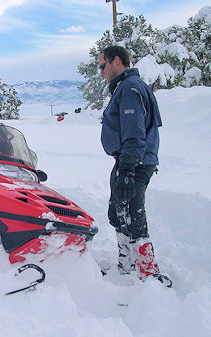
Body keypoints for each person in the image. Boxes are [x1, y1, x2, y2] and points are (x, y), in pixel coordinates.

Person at [98, 46, 170, 285]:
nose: (101, 72)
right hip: (127, 159)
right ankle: (126, 265)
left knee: (133, 216)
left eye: (102, 65)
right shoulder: (125, 88)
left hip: (134, 161)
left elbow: (135, 132)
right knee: (119, 213)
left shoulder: (129, 89)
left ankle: (149, 274)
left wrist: (128, 168)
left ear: (116, 61)